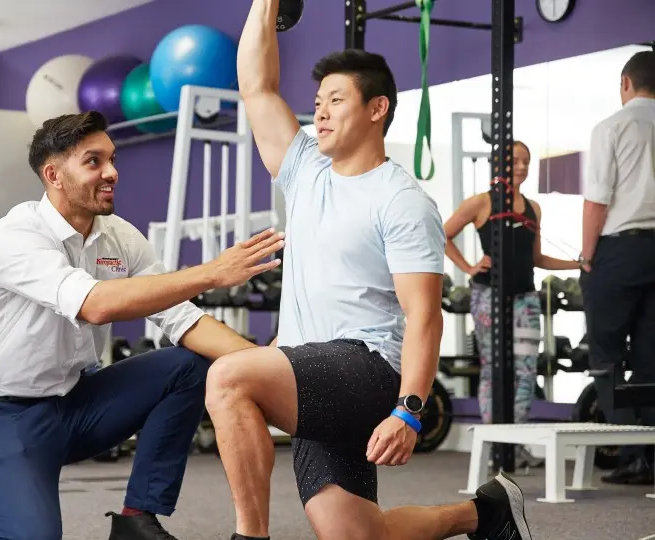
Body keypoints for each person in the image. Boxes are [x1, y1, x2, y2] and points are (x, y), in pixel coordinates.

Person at [199, 1, 536, 540]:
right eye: (317, 103)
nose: (321, 113)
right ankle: (485, 512)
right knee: (355, 535)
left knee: (228, 376)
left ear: (377, 108)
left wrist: (409, 410)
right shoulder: (305, 170)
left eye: (336, 100)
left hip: (365, 367)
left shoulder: (402, 201)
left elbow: (423, 315)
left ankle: (250, 536)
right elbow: (258, 88)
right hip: (308, 370)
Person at [0, 111, 286, 540]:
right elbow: (93, 305)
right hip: (3, 415)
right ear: (54, 175)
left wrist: (268, 364)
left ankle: (137, 517)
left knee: (192, 365)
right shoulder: (16, 236)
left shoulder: (120, 236)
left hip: (79, 404)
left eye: (112, 159)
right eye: (93, 161)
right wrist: (211, 273)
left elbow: (182, 317)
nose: (112, 172)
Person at [443, 140, 582, 468]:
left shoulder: (534, 208)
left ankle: (514, 443)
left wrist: (579, 264)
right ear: (498, 165)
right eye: (514, 161)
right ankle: (495, 447)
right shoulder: (480, 203)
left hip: (525, 299)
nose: (521, 167)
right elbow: (441, 234)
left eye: (526, 161)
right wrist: (469, 267)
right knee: (493, 369)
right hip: (488, 296)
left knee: (525, 371)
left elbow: (537, 258)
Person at [581, 50, 655, 486]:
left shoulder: (612, 126)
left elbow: (597, 200)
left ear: (626, 83)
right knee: (651, 357)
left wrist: (587, 256)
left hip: (619, 250)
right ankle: (651, 456)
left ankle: (632, 455)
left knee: (606, 356)